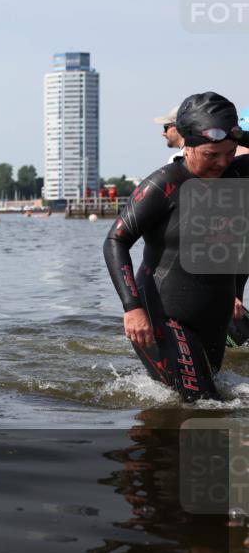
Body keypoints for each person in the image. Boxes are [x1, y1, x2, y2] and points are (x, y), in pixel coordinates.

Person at [104, 92, 249, 401]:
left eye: (230, 152)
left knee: (211, 398)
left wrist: (237, 292)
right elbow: (116, 240)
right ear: (186, 142)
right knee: (204, 405)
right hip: (163, 313)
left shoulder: (237, 174)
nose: (221, 163)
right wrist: (132, 309)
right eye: (211, 155)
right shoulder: (164, 184)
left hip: (214, 315)